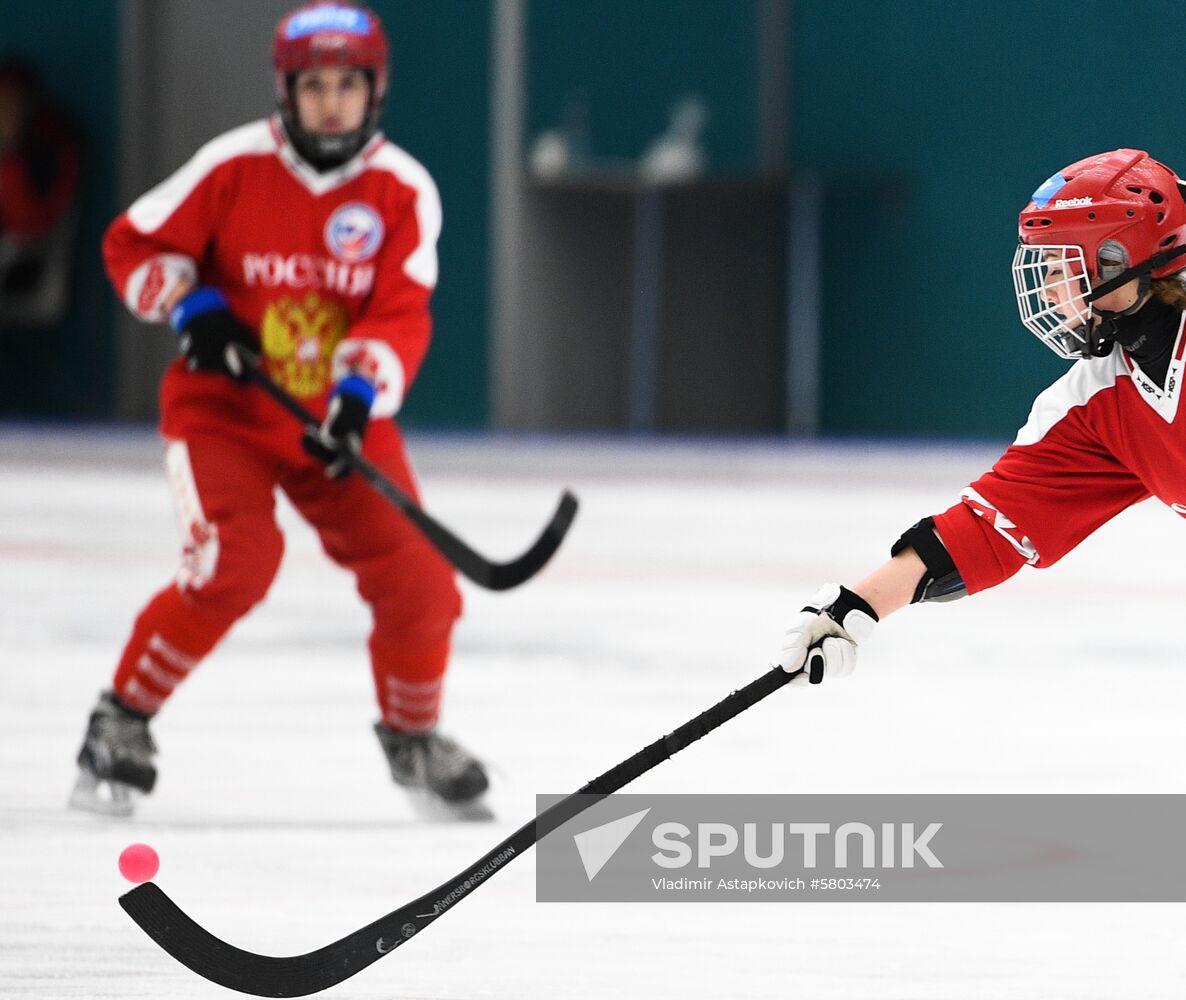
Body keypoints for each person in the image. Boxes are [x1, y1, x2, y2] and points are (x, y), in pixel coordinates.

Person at [70, 1, 488, 817]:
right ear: (285, 90)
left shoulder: (402, 190)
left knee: (422, 581)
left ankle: (414, 738)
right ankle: (119, 720)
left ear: (378, 90)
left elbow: (400, 309)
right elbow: (134, 243)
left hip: (332, 425)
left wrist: (357, 396)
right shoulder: (231, 167)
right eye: (314, 85)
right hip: (221, 416)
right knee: (234, 561)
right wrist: (192, 307)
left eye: (348, 84)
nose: (331, 101)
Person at [778, 148, 1186, 682]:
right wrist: (855, 608)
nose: (1052, 292)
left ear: (1119, 260)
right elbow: (989, 529)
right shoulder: (1098, 398)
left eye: (1064, 267)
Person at [0, 59, 81, 325]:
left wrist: (10, 151)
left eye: (12, 102)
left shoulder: (50, 149)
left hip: (25, 267)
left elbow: (30, 226)